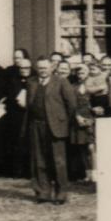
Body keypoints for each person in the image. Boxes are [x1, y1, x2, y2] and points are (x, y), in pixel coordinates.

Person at [21, 56, 78, 204]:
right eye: (40, 68)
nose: (43, 71)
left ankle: (61, 193)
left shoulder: (61, 82)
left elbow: (71, 105)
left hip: (55, 127)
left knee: (58, 161)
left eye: (45, 68)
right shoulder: (31, 82)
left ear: (52, 68)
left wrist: (62, 122)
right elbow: (29, 105)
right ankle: (43, 192)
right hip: (36, 125)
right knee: (39, 160)